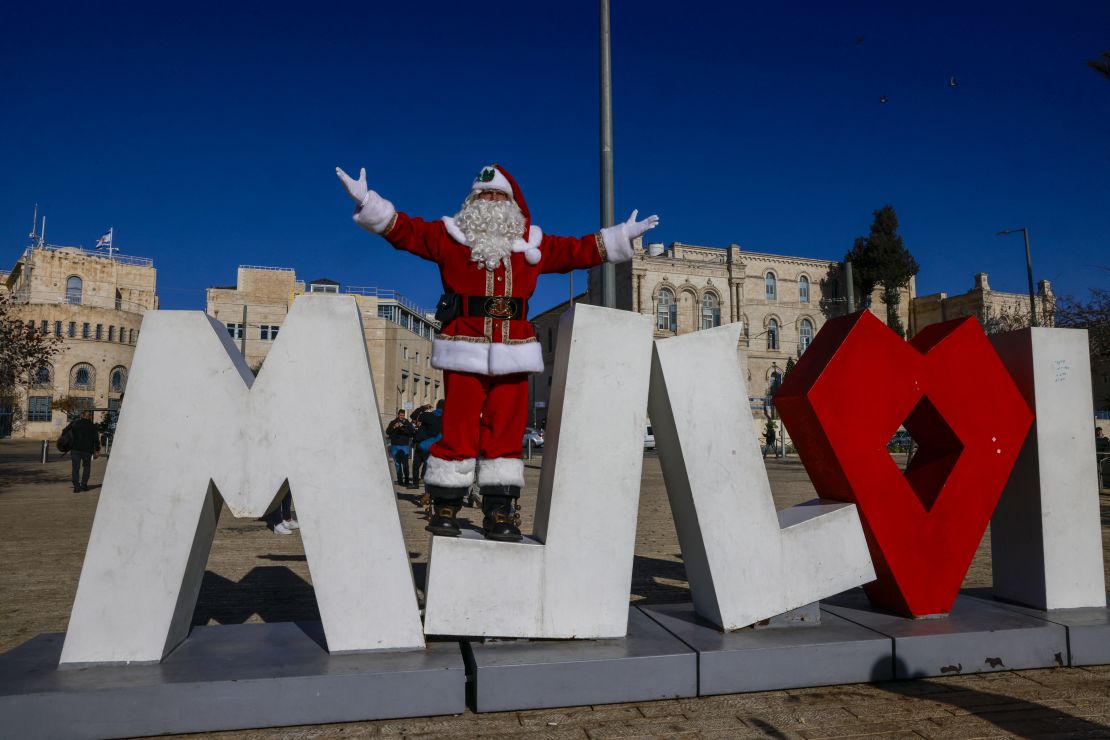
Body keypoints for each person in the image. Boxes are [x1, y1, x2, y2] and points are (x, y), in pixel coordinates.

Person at [338, 163, 658, 541]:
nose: (489, 200)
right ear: (471, 202)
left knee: (506, 425)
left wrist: (621, 235)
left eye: (497, 195)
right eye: (482, 195)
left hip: (514, 348)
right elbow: (405, 230)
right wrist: (369, 201)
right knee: (458, 421)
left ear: (511, 203)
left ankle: (500, 508)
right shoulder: (449, 236)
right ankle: (445, 503)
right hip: (464, 343)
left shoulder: (533, 243)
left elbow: (578, 249)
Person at [65, 410, 101, 492]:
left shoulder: (75, 423)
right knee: (86, 467)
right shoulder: (92, 426)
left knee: (75, 468)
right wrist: (97, 450)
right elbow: (96, 439)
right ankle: (84, 485)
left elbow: (65, 432)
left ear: (82, 416)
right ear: (90, 417)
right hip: (87, 450)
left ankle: (76, 487)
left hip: (75, 449)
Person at [413, 400, 444, 488]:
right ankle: (432, 492)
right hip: (437, 447)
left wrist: (423, 407)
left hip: (424, 445)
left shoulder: (428, 416)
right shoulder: (447, 418)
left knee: (421, 466)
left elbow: (413, 416)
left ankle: (424, 489)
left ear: (437, 406)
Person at [385, 409, 416, 486]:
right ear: (398, 415)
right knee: (397, 464)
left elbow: (411, 433)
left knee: (405, 464)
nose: (402, 417)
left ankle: (406, 481)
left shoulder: (407, 423)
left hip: (404, 446)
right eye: (400, 415)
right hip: (395, 446)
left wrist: (402, 428)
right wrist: (395, 427)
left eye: (403, 415)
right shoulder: (393, 422)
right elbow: (387, 432)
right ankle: (400, 481)